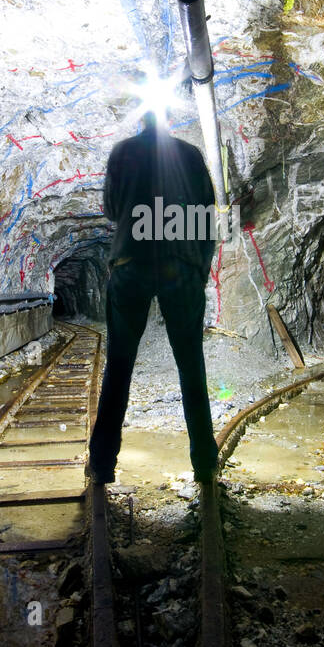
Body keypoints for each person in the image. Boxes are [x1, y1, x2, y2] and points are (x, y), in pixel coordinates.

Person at [87, 110, 219, 484]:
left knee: (120, 367)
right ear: (168, 119)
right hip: (180, 265)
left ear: (140, 118)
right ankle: (204, 462)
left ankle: (102, 464)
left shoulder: (122, 151)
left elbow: (112, 210)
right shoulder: (190, 154)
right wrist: (199, 268)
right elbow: (206, 212)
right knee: (191, 364)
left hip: (132, 262)